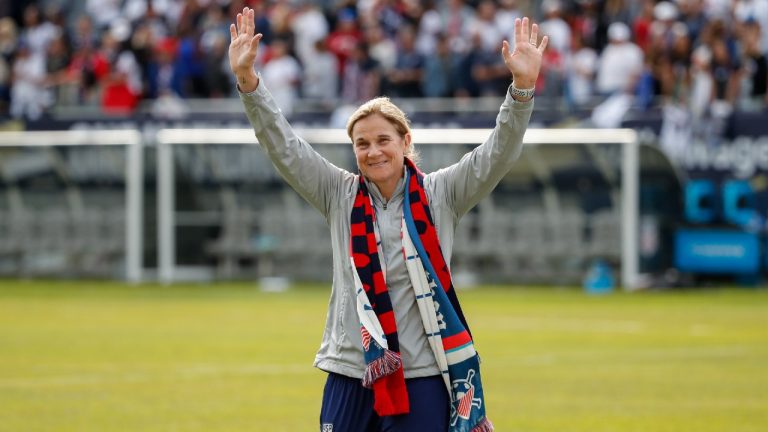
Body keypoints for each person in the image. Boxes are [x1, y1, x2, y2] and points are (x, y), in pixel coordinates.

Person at [228, 7, 547, 432]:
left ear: (405, 141)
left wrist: (521, 89)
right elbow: (283, 146)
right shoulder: (338, 193)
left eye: (383, 140)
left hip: (422, 375)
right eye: (362, 143)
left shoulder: (441, 194)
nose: (373, 151)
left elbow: (497, 154)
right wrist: (249, 83)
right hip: (350, 371)